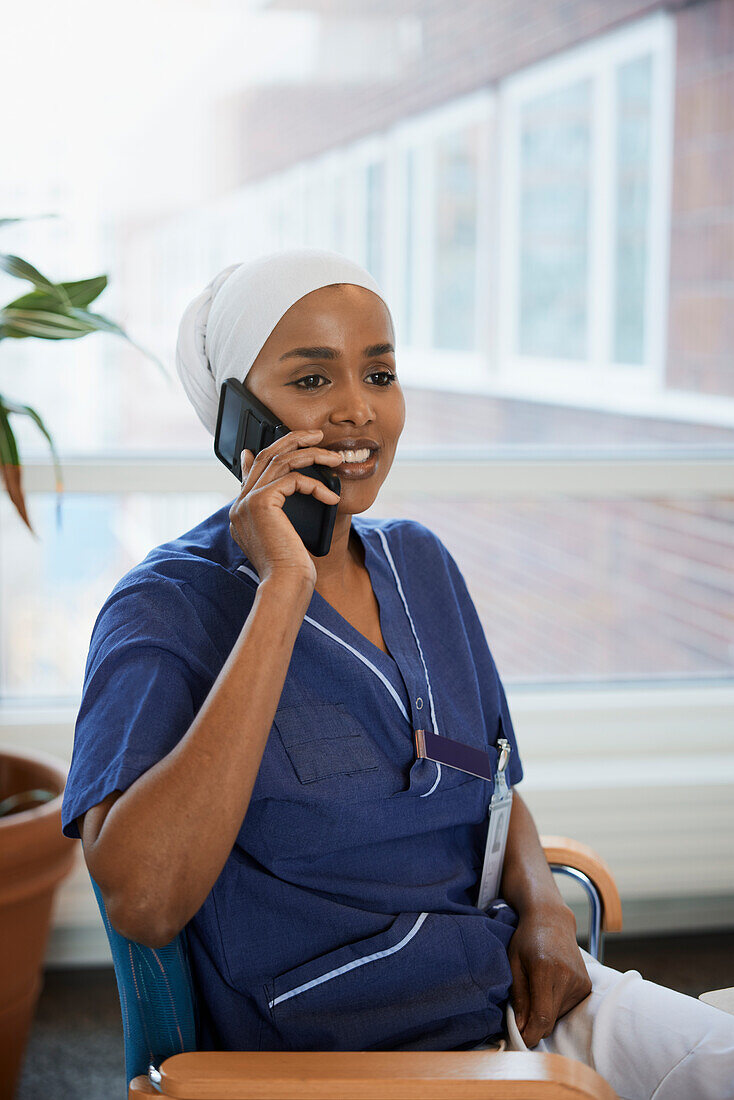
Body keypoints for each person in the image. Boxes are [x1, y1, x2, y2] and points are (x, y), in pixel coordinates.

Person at [61, 249, 734, 1099]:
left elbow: (488, 781)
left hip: (515, 1003)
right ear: (238, 416)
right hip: (347, 1057)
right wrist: (282, 594)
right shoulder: (164, 610)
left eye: (379, 374)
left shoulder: (421, 565)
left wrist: (546, 910)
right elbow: (144, 902)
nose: (357, 412)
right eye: (311, 382)